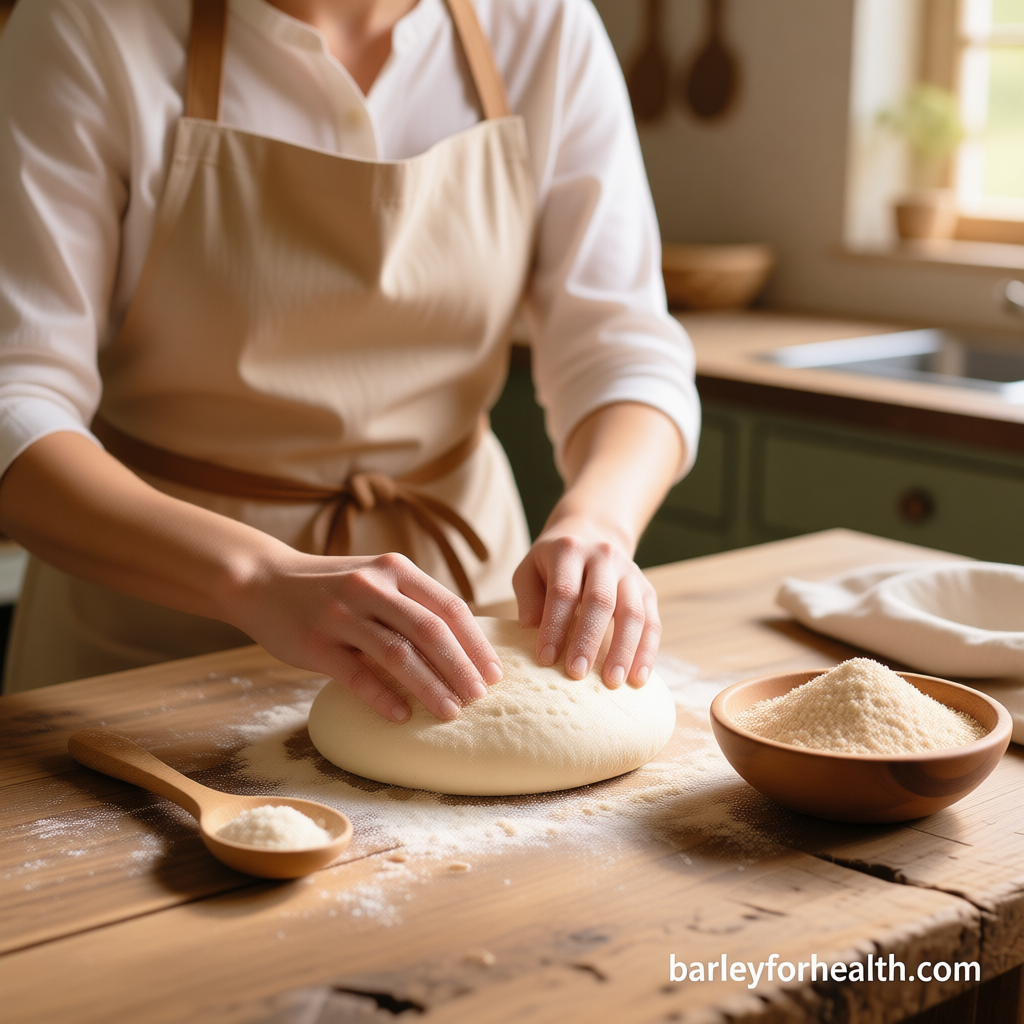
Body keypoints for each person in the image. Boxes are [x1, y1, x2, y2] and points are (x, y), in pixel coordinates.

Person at [0, 0, 699, 721]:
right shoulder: (85, 23)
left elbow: (624, 349)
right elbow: (16, 402)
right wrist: (255, 576)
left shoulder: (543, 24)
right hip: (153, 646)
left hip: (467, 627)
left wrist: (598, 523)